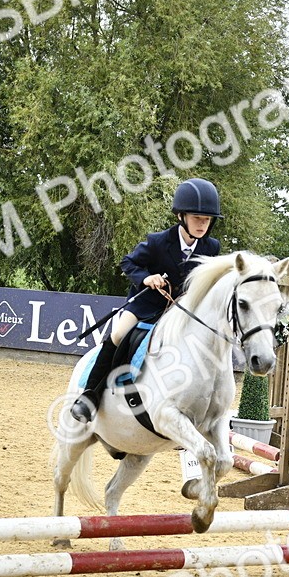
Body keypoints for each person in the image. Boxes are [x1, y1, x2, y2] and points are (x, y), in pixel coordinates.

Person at [69, 178, 223, 423]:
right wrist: (146, 278)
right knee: (118, 335)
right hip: (145, 307)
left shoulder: (211, 247)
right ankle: (89, 397)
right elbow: (127, 263)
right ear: (181, 216)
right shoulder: (158, 242)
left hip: (179, 312)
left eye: (207, 219)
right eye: (197, 218)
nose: (203, 224)